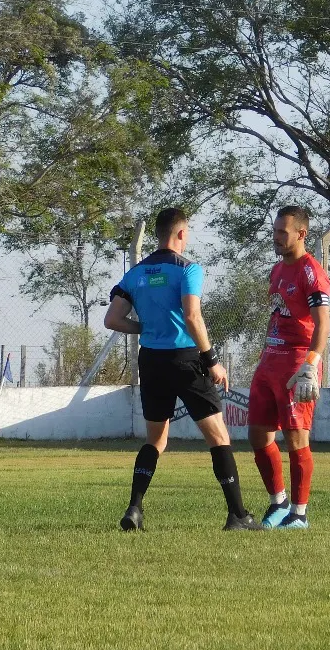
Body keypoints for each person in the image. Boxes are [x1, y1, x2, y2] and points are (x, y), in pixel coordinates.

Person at [104, 207, 263, 532]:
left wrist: (145, 327)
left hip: (151, 361)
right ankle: (237, 515)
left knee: (156, 441)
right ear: (180, 234)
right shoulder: (188, 270)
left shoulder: (136, 274)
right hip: (186, 359)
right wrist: (212, 359)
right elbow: (192, 316)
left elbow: (112, 320)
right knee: (218, 437)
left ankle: (135, 508)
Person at [248, 205, 330, 530]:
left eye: (283, 232)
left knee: (297, 439)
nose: (277, 238)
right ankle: (278, 502)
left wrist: (311, 364)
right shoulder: (276, 270)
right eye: (275, 231)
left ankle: (299, 513)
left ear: (301, 233)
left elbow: (323, 323)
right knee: (258, 436)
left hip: (297, 364)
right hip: (269, 361)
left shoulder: (310, 271)